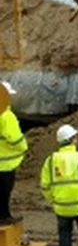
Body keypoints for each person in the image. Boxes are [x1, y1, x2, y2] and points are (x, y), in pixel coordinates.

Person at [0, 81, 27, 225]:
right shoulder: (6, 115)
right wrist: (23, 147)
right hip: (5, 163)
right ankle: (4, 216)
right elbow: (15, 138)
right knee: (4, 191)